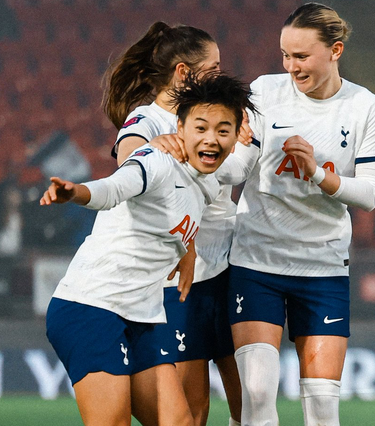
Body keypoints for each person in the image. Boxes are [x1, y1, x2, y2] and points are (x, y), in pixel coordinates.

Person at [42, 73, 251, 426]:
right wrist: (76, 192)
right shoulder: (156, 160)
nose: (211, 139)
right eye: (200, 128)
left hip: (143, 316)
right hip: (91, 307)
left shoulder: (209, 179)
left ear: (234, 136)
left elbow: (180, 214)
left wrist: (188, 253)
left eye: (223, 130)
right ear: (179, 127)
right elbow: (114, 188)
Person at [228, 4, 375, 426]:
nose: (290, 66)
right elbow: (240, 168)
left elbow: (370, 193)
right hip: (256, 259)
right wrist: (213, 154)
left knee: (321, 405)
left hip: (322, 267)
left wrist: (316, 172)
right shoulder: (264, 91)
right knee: (258, 392)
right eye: (285, 55)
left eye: (301, 56)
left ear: (335, 50)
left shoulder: (364, 106)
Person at [102, 22, 246, 426]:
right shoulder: (147, 118)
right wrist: (150, 151)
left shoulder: (217, 111)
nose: (220, 74)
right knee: (193, 407)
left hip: (231, 266)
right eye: (213, 68)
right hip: (182, 281)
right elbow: (127, 154)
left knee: (250, 397)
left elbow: (238, 166)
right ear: (184, 72)